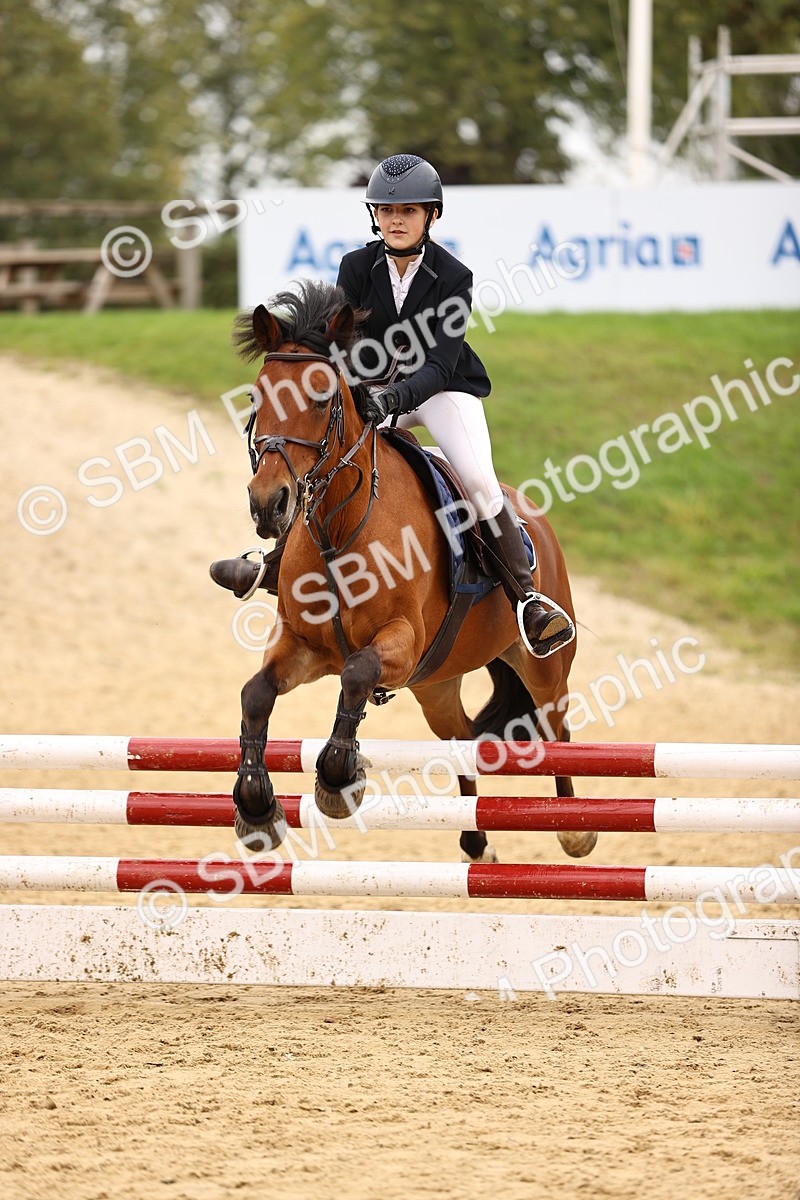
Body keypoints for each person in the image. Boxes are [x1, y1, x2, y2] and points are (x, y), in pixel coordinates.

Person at [211, 154, 574, 658]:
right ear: (375, 216)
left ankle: (527, 599)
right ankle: (275, 563)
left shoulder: (453, 277)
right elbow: (342, 344)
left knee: (478, 481)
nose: (396, 220)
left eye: (408, 210)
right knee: (327, 457)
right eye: (386, 211)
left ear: (431, 216)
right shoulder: (356, 267)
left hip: (444, 392)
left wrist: (392, 398)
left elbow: (441, 365)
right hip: (376, 390)